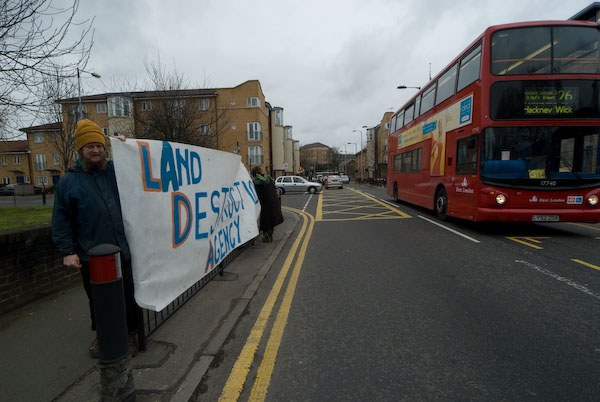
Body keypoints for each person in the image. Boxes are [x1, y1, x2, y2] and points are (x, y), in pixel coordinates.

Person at [52, 119, 138, 358]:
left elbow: (141, 169)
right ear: (80, 149)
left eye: (99, 146)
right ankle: (103, 336)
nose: (96, 150)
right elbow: (61, 219)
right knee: (98, 300)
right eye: (89, 146)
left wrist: (128, 147)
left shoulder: (115, 171)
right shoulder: (69, 182)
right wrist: (67, 251)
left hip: (122, 249)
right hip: (92, 255)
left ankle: (130, 333)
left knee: (128, 296)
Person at [251, 166, 283, 242]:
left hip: (265, 204)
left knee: (265, 220)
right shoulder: (268, 178)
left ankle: (266, 236)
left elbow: (257, 194)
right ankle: (269, 235)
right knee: (271, 220)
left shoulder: (257, 182)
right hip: (274, 202)